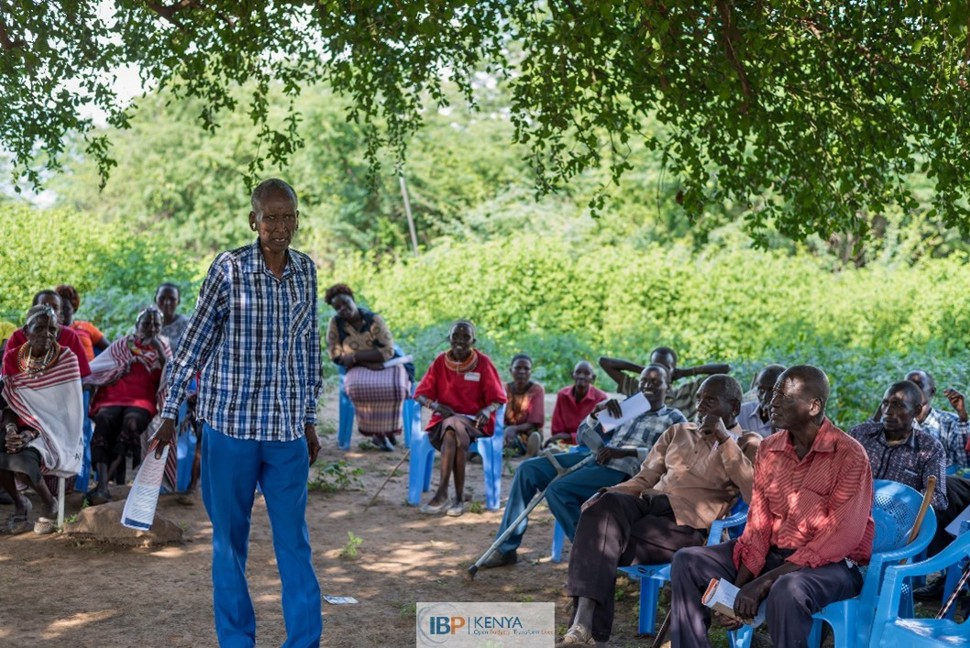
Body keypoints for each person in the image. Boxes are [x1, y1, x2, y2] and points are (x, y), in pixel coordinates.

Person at [151, 178, 323, 648]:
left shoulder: (306, 271)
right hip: (230, 428)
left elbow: (308, 350)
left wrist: (309, 418)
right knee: (229, 545)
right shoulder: (229, 269)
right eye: (272, 217)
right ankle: (236, 640)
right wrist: (169, 411)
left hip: (286, 430)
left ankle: (304, 641)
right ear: (254, 220)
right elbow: (194, 345)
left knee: (295, 543)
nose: (281, 226)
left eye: (289, 216)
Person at [670, 365, 874, 647]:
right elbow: (759, 524)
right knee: (688, 561)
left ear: (814, 406)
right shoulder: (770, 448)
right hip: (774, 554)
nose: (771, 402)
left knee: (786, 589)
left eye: (783, 396)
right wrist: (738, 590)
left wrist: (763, 582)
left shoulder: (850, 455)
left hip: (833, 564)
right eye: (773, 394)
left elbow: (841, 537)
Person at [558, 375, 760, 645]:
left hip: (686, 525)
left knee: (600, 539)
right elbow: (643, 479)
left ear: (734, 408)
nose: (700, 408)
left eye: (709, 401)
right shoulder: (678, 431)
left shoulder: (749, 443)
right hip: (648, 504)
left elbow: (752, 493)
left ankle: (587, 628)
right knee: (602, 508)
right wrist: (606, 493)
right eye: (699, 400)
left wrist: (724, 439)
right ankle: (584, 622)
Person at [481, 364, 686, 569]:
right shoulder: (628, 408)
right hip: (594, 459)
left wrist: (626, 452)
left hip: (625, 471)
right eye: (644, 381)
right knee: (528, 470)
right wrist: (595, 415)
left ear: (668, 388)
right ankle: (506, 548)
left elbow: (671, 457)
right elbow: (582, 438)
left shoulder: (674, 418)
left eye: (656, 382)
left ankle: (591, 551)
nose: (648, 385)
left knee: (558, 491)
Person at [0, 305, 85, 534]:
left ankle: (49, 503)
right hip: (18, 424)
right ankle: (20, 503)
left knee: (23, 461)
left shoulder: (66, 359)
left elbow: (69, 413)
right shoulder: (12, 359)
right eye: (39, 328)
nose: (47, 334)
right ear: (26, 331)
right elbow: (8, 403)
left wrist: (30, 433)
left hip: (55, 430)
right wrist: (10, 430)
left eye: (52, 329)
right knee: (3, 451)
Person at [413, 320, 506, 517]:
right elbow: (420, 395)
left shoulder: (483, 363)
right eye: (456, 336)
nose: (460, 341)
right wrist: (436, 406)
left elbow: (498, 398)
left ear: (473, 340)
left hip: (475, 423)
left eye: (466, 337)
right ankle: (455, 497)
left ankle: (443, 494)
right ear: (449, 338)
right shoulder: (440, 362)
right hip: (444, 422)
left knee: (453, 427)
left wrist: (488, 410)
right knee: (451, 430)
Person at [83, 307, 172, 504]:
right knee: (104, 420)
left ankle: (102, 487)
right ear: (137, 326)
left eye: (156, 324)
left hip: (142, 401)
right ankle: (103, 485)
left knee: (130, 424)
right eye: (146, 323)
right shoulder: (123, 344)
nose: (151, 328)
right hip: (112, 398)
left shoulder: (164, 347)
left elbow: (170, 373)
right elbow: (99, 365)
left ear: (161, 327)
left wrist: (157, 348)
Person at [904, 370, 970, 599]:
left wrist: (962, 416)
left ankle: (949, 572)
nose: (911, 393)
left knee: (944, 488)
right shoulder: (898, 423)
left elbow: (964, 462)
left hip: (947, 491)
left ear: (931, 392)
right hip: (910, 492)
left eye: (918, 387)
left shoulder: (947, 422)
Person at [325, 283, 408, 451]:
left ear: (353, 300)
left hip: (386, 363)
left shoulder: (373, 320)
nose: (343, 309)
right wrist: (361, 359)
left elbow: (388, 350)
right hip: (359, 366)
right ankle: (377, 434)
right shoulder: (335, 324)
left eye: (346, 303)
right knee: (361, 387)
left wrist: (354, 357)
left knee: (396, 387)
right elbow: (335, 354)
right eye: (338, 307)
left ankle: (389, 429)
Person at [848, 381, 948, 511]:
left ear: (917, 411)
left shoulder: (929, 447)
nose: (888, 411)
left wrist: (901, 498)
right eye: (885, 403)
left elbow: (939, 499)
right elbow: (834, 473)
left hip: (897, 522)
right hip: (851, 512)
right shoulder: (860, 434)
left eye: (898, 405)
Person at [598, 346, 729, 419]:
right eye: (656, 365)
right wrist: (647, 371)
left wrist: (687, 372)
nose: (661, 370)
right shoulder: (640, 388)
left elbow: (724, 370)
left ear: (675, 369)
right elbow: (605, 362)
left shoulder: (686, 393)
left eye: (666, 367)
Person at [7, 290, 91, 379]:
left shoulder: (70, 336)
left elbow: (81, 374)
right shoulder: (18, 336)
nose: (49, 310)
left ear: (60, 312)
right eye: (44, 305)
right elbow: (8, 376)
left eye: (55, 307)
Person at [546, 361, 608, 448]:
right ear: (573, 375)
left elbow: (599, 433)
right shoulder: (562, 395)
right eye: (578, 372)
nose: (581, 376)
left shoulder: (601, 398)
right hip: (564, 444)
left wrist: (570, 436)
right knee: (550, 449)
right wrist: (564, 438)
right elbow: (557, 432)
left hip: (589, 445)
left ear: (593, 378)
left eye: (586, 373)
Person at [503, 353, 545, 457]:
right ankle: (523, 451)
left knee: (534, 434)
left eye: (526, 369)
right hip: (507, 430)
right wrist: (509, 429)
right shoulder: (504, 389)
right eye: (517, 368)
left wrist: (514, 429)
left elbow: (534, 422)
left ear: (531, 372)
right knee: (501, 436)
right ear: (510, 370)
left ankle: (530, 451)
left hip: (527, 430)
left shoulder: (536, 390)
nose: (522, 372)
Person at [54, 284, 109, 362]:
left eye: (66, 308)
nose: (61, 312)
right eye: (58, 308)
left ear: (74, 309)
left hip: (92, 370)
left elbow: (109, 347)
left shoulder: (86, 327)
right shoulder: (50, 332)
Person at [736, 364, 785, 437]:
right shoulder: (741, 412)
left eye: (772, 390)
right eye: (761, 390)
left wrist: (773, 419)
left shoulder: (792, 418)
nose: (764, 396)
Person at [155, 283, 191, 355]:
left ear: (178, 302)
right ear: (155, 299)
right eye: (162, 298)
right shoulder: (144, 324)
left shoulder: (188, 326)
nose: (167, 302)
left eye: (172, 299)